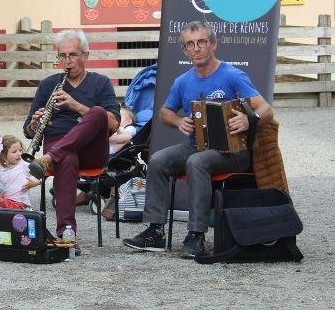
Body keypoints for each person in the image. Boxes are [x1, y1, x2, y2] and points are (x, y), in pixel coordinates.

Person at [122, 20, 273, 258]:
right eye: (190, 44)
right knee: (158, 159)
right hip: (196, 146)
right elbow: (164, 112)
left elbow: (266, 108)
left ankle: (196, 234)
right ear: (184, 50)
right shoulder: (183, 81)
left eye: (201, 42)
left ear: (213, 44)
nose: (196, 48)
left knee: (197, 162)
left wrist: (249, 119)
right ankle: (155, 231)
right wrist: (177, 121)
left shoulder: (233, 75)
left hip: (232, 152)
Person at [23, 29, 120, 241]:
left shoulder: (100, 82)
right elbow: (28, 132)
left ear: (85, 55)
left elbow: (113, 124)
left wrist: (76, 105)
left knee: (97, 113)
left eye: (73, 55)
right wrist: (34, 124)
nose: (67, 61)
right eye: (62, 56)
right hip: (60, 146)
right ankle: (67, 231)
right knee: (67, 156)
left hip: (91, 149)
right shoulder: (48, 85)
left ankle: (49, 158)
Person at [0, 135, 40, 210]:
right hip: (5, 203)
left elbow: (40, 175)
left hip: (21, 203)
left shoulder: (23, 165)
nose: (19, 154)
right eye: (14, 152)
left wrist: (36, 182)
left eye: (20, 150)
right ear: (3, 155)